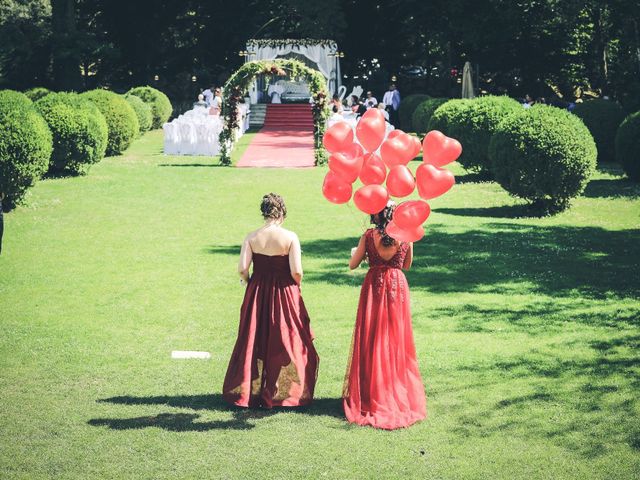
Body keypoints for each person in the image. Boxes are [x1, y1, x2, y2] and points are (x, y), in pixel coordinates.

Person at [223, 193, 319, 408]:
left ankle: (253, 392)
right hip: (284, 292)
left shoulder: (251, 237)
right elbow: (297, 271)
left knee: (255, 338)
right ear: (282, 213)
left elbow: (242, 268)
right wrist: (298, 285)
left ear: (264, 212)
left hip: (258, 291)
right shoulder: (290, 236)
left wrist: (249, 281)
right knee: (285, 339)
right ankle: (278, 392)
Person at [343, 201, 427, 429]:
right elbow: (406, 265)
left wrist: (357, 254)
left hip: (374, 287)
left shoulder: (368, 236)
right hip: (397, 288)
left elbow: (352, 264)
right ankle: (394, 391)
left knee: (372, 338)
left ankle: (373, 394)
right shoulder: (407, 237)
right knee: (396, 339)